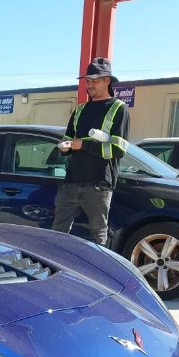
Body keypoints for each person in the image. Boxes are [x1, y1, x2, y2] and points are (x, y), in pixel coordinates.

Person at [53, 57, 130, 245]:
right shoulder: (80, 110)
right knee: (57, 234)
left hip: (99, 184)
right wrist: (64, 148)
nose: (89, 85)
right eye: (87, 81)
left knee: (98, 237)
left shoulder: (119, 109)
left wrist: (84, 145)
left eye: (94, 80)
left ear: (107, 81)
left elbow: (119, 149)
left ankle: (97, 273)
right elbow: (69, 140)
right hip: (71, 181)